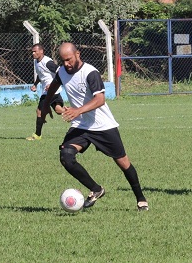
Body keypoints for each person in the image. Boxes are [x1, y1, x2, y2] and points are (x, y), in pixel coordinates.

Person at [41, 42, 149, 211]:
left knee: (123, 163)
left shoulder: (90, 72)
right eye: (63, 61)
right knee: (66, 157)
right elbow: (54, 86)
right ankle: (96, 189)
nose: (66, 64)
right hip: (81, 126)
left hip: (102, 125)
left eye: (69, 59)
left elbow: (100, 100)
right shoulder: (62, 71)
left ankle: (140, 198)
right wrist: (46, 105)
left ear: (78, 54)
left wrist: (78, 111)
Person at [26, 43, 65, 141]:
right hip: (54, 91)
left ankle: (37, 135)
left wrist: (52, 84)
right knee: (59, 110)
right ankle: (77, 113)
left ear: (41, 51)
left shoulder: (47, 62)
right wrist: (35, 84)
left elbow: (60, 71)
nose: (33, 53)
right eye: (32, 52)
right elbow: (41, 75)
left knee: (39, 111)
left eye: (35, 51)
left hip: (50, 92)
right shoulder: (36, 61)